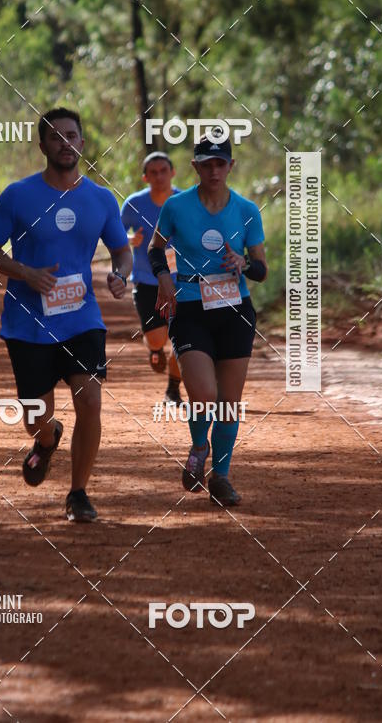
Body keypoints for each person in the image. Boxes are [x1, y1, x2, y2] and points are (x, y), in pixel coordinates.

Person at [0, 107, 131, 523]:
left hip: (82, 319)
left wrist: (120, 275)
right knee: (36, 416)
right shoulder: (17, 195)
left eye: (72, 135)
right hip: (27, 323)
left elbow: (121, 250)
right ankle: (46, 442)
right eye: (56, 136)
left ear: (82, 143)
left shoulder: (100, 198)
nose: (65, 142)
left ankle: (78, 493)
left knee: (91, 402)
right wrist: (25, 272)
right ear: (42, 145)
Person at [148, 135, 267, 506]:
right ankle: (200, 447)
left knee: (229, 402)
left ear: (231, 166)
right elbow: (155, 248)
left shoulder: (247, 210)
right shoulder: (176, 206)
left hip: (235, 310)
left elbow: (261, 268)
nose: (214, 170)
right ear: (195, 167)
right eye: (206, 164)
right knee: (204, 394)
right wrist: (165, 277)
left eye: (221, 163)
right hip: (190, 307)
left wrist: (244, 263)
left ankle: (222, 477)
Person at [121, 152, 182, 404]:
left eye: (163, 171)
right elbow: (115, 234)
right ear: (145, 177)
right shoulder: (134, 204)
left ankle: (173, 389)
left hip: (183, 281)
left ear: (172, 173)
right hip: (147, 281)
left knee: (183, 337)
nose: (159, 177)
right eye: (153, 173)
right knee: (158, 336)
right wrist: (127, 240)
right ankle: (156, 349)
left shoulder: (185, 201)